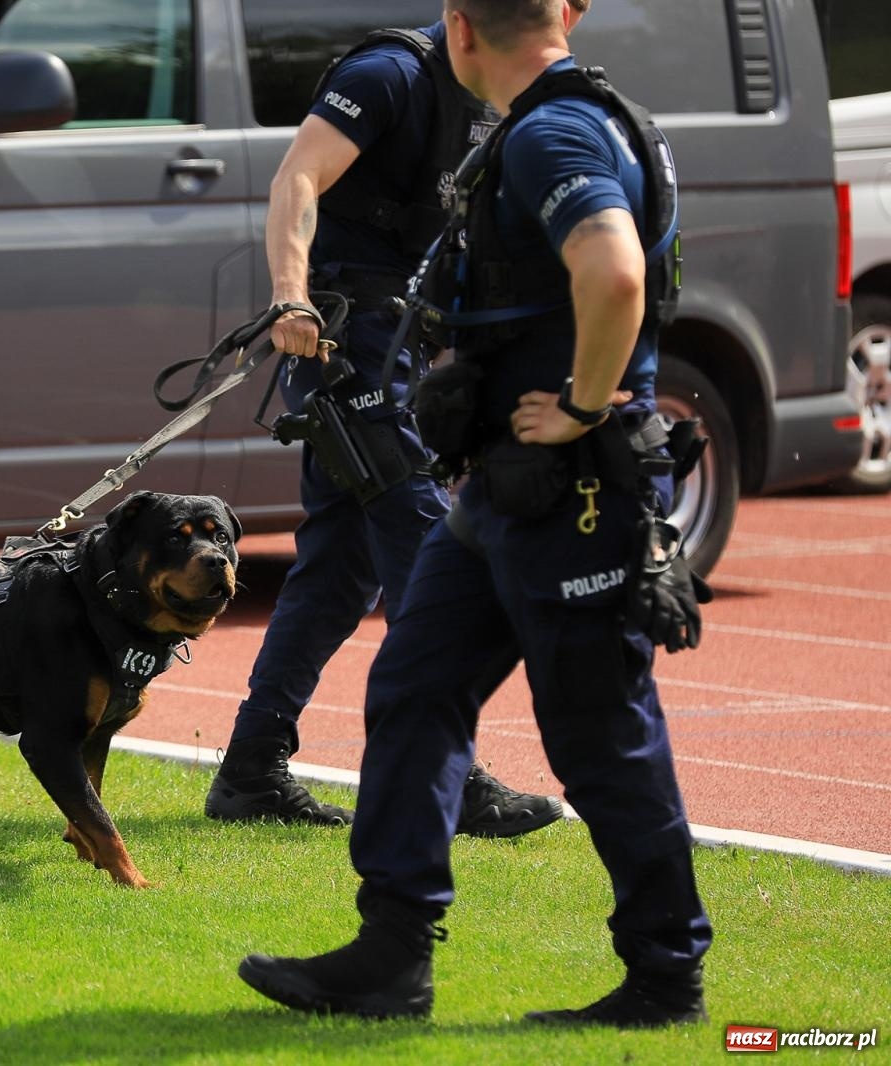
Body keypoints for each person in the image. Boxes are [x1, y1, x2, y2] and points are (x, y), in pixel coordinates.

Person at [237, 0, 713, 1028]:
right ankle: (390, 952)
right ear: (570, 13)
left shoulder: (552, 133)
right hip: (498, 492)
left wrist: (582, 406)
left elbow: (615, 271)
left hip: (572, 494)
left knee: (598, 732)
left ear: (459, 25)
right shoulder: (538, 121)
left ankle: (665, 976)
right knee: (413, 681)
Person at [203, 13, 570, 838]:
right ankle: (452, 779)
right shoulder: (390, 76)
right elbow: (297, 179)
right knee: (426, 543)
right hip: (339, 340)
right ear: (461, 21)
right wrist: (289, 296)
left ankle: (249, 772)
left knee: (338, 569)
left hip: (401, 343)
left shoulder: (501, 95)